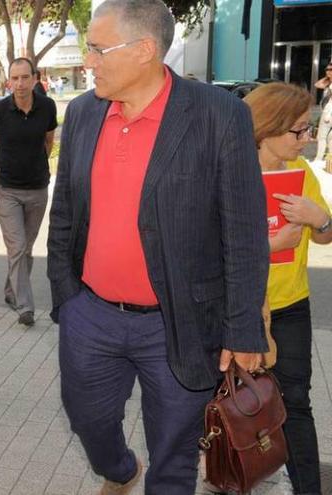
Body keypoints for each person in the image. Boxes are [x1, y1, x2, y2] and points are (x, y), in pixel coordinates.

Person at [46, 0, 268, 493]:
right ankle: (121, 470)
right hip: (92, 315)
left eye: (98, 49)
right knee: (87, 421)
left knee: (174, 454)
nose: (88, 61)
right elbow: (64, 211)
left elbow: (245, 232)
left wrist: (244, 328)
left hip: (181, 322)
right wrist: (67, 295)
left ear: (145, 50)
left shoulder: (219, 116)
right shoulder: (83, 113)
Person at [244, 82, 332, 495]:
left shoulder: (303, 176)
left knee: (296, 404)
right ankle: (230, 475)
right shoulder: (230, 174)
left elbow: (323, 238)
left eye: (308, 128)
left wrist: (321, 219)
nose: (308, 138)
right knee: (231, 401)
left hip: (291, 307)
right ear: (268, 129)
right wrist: (270, 246)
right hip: (238, 308)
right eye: (299, 130)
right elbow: (207, 247)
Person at [0, 57, 57, 327]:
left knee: (25, 249)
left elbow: (48, 141)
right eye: (15, 78)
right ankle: (25, 307)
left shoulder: (47, 106)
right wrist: (0, 163)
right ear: (8, 81)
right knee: (16, 248)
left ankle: (11, 290)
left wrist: (37, 165)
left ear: (35, 78)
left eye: (25, 77)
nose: (20, 83)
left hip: (38, 188)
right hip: (7, 190)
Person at [313, 64, 332, 167]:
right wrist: (328, 78)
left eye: (330, 69)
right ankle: (326, 159)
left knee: (322, 137)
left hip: (329, 112)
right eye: (327, 69)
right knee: (328, 137)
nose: (328, 71)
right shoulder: (328, 83)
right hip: (327, 111)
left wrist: (328, 114)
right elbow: (317, 84)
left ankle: (319, 159)